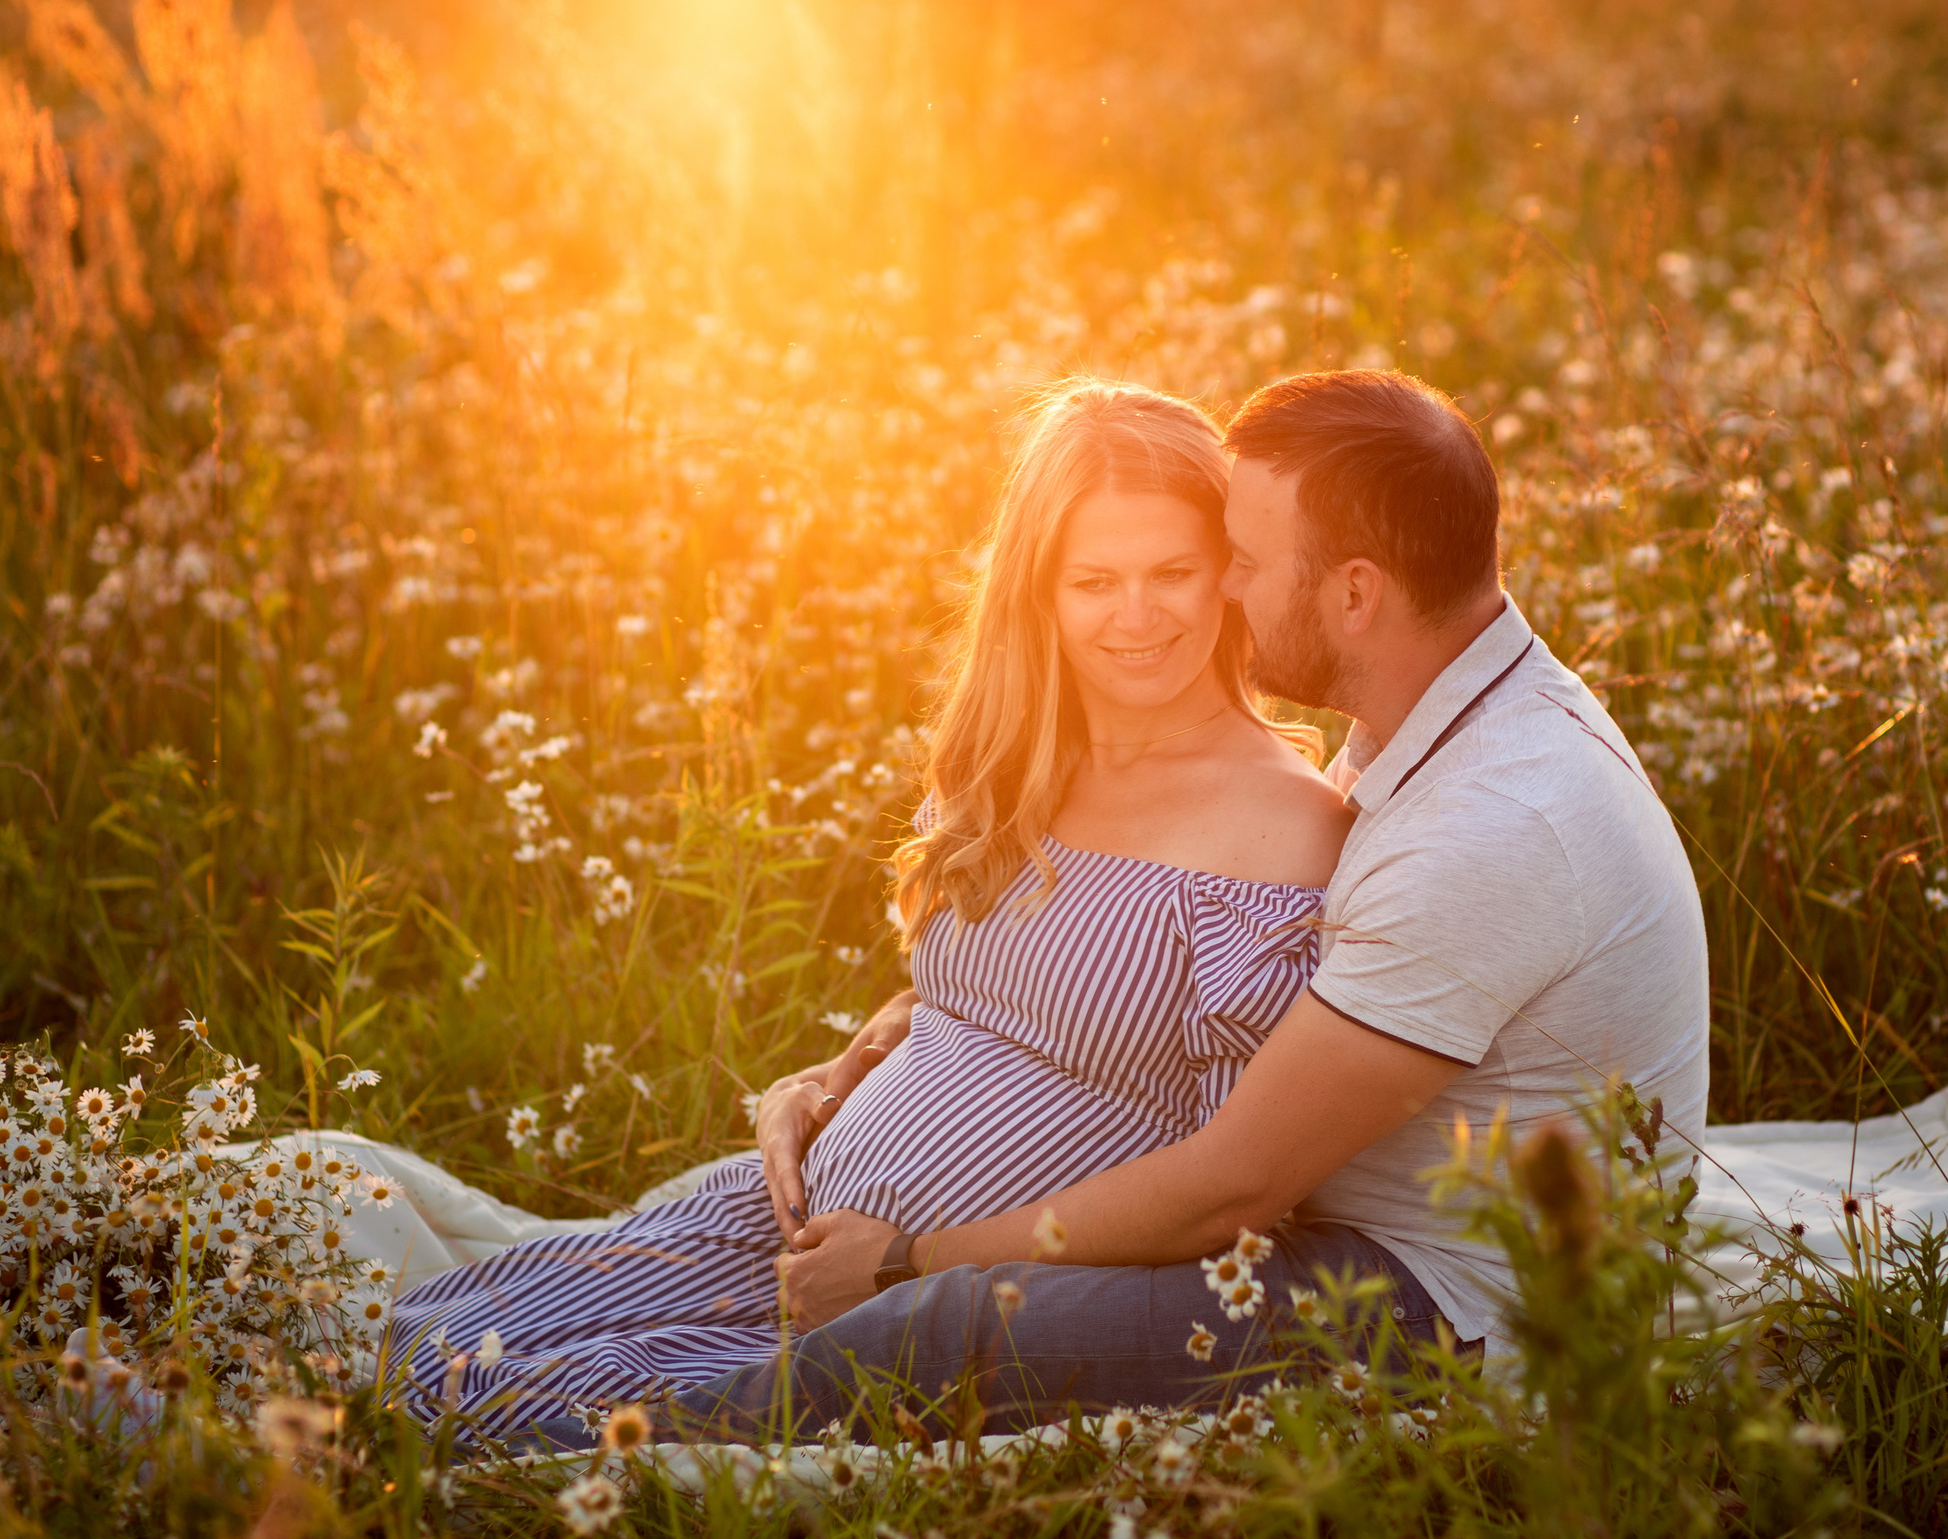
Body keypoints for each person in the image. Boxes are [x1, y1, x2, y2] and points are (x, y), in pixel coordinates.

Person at [696, 368, 1709, 1434]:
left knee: (942, 1327)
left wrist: (904, 1257)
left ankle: (562, 1461)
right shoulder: (1445, 702)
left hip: (1448, 1302)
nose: (1221, 591)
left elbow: (1234, 1185)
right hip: (1361, 1230)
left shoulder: (1493, 822)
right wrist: (869, 1058)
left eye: (1244, 563)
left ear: (1355, 594)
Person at [380, 380, 1351, 1437]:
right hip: (789, 1225)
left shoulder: (1281, 828)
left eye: (1173, 572)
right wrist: (834, 1075)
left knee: (478, 1416)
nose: (1135, 616)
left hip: (911, 1305)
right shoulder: (1014, 763)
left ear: (1229, 574)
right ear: (1038, 593)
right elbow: (985, 1001)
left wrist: (901, 1265)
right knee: (411, 1338)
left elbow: (1223, 1184)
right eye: (1092, 580)